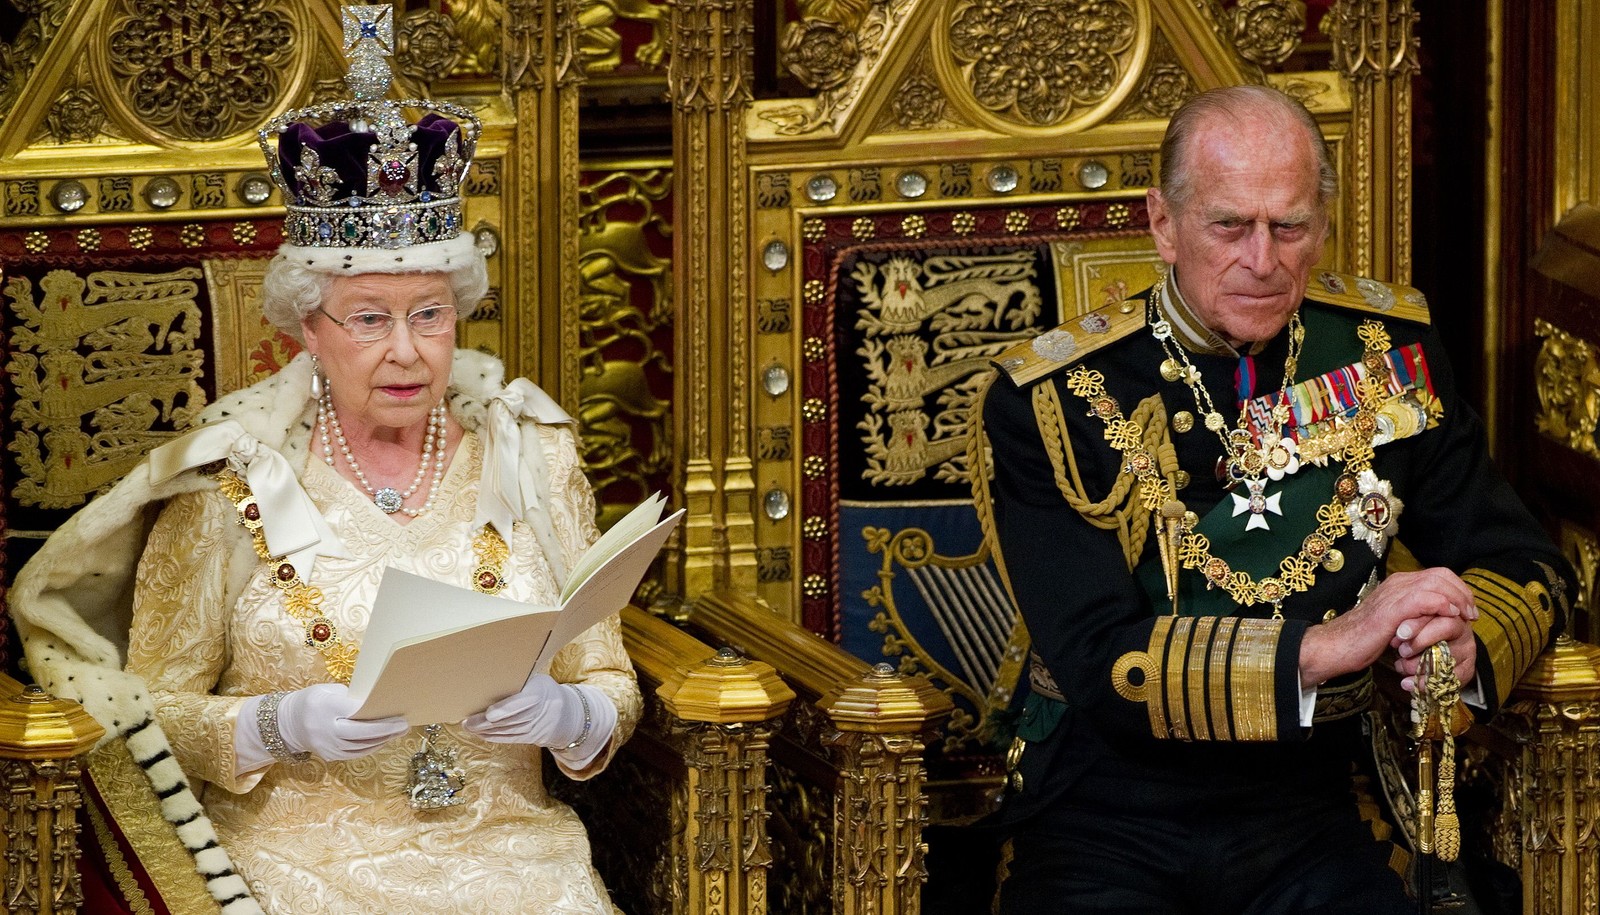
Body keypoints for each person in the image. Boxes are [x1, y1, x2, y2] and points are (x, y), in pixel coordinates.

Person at [9, 10, 640, 913]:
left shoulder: (533, 457)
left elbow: (608, 676)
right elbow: (149, 710)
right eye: (369, 317)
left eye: (429, 313)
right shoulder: (229, 481)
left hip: (518, 861)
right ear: (309, 327)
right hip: (295, 868)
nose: (407, 352)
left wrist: (572, 717)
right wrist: (274, 723)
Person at [976, 84, 1572, 914]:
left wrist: (1465, 643)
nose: (1263, 259)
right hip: (1106, 810)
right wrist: (1327, 646)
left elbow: (1527, 562)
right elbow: (1103, 661)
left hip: (1312, 803)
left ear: (1320, 226)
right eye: (1229, 225)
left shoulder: (1381, 354)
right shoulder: (1057, 396)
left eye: (1288, 226)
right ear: (1162, 222)